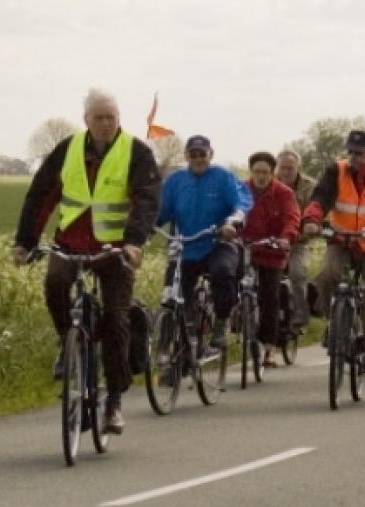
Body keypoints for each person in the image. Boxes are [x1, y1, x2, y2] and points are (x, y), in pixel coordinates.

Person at [13, 88, 161, 435]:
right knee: (55, 284)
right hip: (72, 243)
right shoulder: (68, 149)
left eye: (111, 117)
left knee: (115, 319)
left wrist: (134, 242)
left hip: (115, 250)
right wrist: (25, 242)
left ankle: (114, 402)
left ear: (119, 119)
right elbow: (41, 195)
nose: (106, 124)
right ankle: (68, 344)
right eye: (99, 118)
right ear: (86, 120)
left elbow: (147, 200)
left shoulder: (136, 152)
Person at [301, 129, 365, 376]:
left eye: (359, 153)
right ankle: (334, 323)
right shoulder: (335, 170)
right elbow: (320, 197)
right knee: (327, 276)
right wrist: (312, 219)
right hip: (341, 239)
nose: (353, 157)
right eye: (349, 151)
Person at [157, 134, 253, 348]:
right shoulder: (175, 181)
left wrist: (232, 223)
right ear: (186, 156)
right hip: (185, 245)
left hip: (217, 242)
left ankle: (221, 322)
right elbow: (162, 210)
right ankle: (178, 345)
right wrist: (146, 223)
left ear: (211, 154)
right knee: (174, 292)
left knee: (223, 273)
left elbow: (241, 203)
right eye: (194, 154)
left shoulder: (223, 176)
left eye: (203, 154)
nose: (199, 158)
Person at [241, 152, 301, 366]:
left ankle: (268, 347)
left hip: (272, 250)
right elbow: (230, 212)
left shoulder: (284, 194)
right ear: (251, 172)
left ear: (272, 173)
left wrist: (286, 238)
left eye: (265, 172)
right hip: (246, 248)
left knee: (270, 296)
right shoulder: (241, 190)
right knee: (232, 283)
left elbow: (292, 218)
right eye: (257, 172)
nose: (261, 177)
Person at [275, 150, 317, 334]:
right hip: (273, 241)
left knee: (298, 273)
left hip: (300, 241)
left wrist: (303, 233)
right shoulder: (270, 183)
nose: (286, 172)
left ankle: (301, 317)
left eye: (290, 168)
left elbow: (314, 215)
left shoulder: (310, 187)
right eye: (282, 168)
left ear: (298, 168)